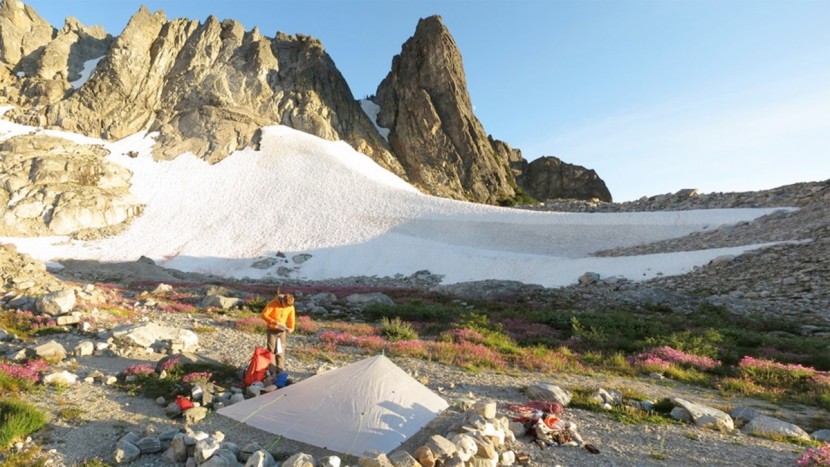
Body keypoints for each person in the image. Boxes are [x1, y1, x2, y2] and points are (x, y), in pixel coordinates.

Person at [260, 291, 295, 375]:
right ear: (282, 301)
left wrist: (291, 328)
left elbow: (291, 319)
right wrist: (273, 322)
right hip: (272, 329)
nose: (286, 307)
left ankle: (280, 371)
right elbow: (263, 315)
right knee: (271, 351)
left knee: (280, 350)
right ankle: (272, 372)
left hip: (282, 331)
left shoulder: (290, 307)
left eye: (288, 306)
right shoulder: (273, 303)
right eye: (285, 305)